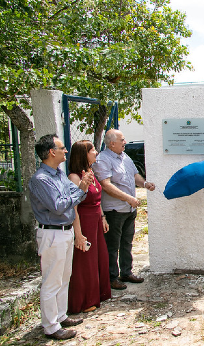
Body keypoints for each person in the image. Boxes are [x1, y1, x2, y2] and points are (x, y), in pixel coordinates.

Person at [29, 134, 93, 340]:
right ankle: (50, 326)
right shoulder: (41, 179)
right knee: (52, 280)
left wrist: (81, 187)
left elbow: (73, 197)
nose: (66, 151)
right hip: (52, 233)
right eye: (62, 148)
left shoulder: (58, 174)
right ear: (51, 152)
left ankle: (60, 315)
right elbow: (58, 206)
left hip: (65, 231)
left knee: (64, 277)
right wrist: (79, 190)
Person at [92, 129, 156, 290]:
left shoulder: (125, 157)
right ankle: (111, 277)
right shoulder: (103, 160)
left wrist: (145, 184)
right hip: (114, 210)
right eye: (122, 139)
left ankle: (126, 272)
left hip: (128, 209)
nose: (125, 142)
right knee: (112, 246)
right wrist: (128, 198)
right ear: (112, 143)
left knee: (127, 242)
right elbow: (106, 185)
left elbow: (135, 175)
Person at [67, 140, 111, 313]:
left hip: (95, 220)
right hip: (83, 221)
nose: (96, 152)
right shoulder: (74, 177)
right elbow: (74, 207)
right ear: (83, 154)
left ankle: (98, 293)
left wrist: (102, 217)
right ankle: (85, 300)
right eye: (92, 149)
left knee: (100, 257)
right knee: (86, 261)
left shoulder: (91, 172)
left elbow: (97, 198)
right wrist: (78, 233)